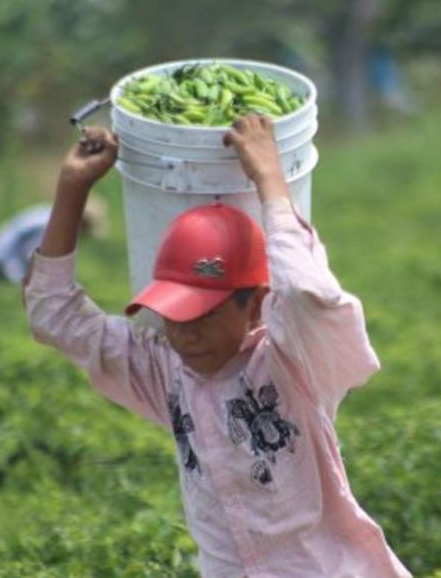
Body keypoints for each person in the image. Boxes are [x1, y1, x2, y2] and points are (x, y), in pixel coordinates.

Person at [23, 116, 411, 577]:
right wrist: (72, 187)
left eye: (205, 315)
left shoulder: (292, 362)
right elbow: (53, 313)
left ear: (255, 308)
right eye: (174, 314)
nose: (186, 334)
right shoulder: (165, 372)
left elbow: (310, 293)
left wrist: (270, 178)